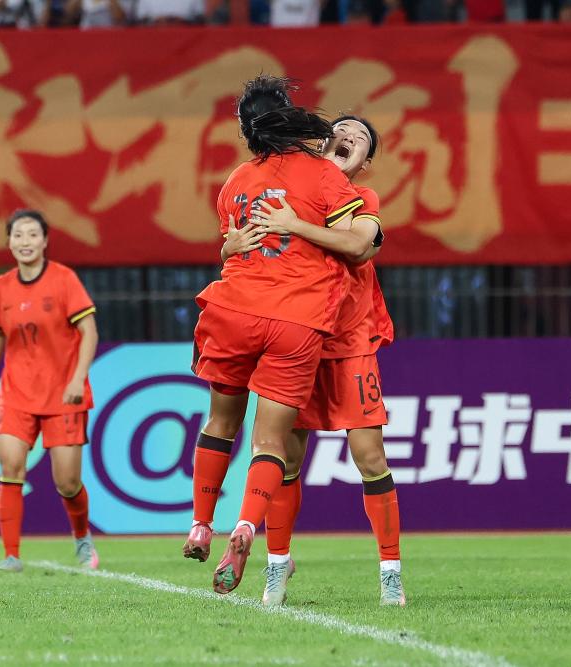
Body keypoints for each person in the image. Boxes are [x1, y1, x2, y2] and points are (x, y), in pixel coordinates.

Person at [185, 75, 375, 595]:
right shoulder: (324, 175)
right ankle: (247, 526)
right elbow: (358, 245)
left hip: (232, 310)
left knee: (220, 422)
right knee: (271, 442)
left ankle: (201, 523)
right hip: (296, 318)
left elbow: (235, 245)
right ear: (289, 115)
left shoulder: (235, 182)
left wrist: (228, 249)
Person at [228, 116, 404, 607]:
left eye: (360, 138)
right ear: (320, 143)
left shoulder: (362, 199)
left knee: (370, 457)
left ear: (366, 161)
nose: (347, 136)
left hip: (349, 341)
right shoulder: (287, 192)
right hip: (296, 337)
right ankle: (277, 565)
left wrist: (294, 225)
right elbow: (245, 251)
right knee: (285, 458)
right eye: (340, 130)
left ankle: (390, 571)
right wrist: (229, 245)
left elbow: (358, 247)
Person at [0, 209, 100, 573]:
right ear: (8, 242)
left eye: (32, 234)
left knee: (67, 482)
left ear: (45, 241)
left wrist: (77, 378)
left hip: (63, 394)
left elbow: (89, 331)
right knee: (10, 465)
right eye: (18, 235)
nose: (25, 242)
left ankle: (81, 536)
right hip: (16, 393)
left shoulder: (64, 279)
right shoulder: (2, 286)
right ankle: (11, 555)